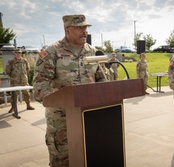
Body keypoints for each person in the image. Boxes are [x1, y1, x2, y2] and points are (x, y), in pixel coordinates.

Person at [33, 14, 105, 166]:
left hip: (88, 117)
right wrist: (61, 102)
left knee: (88, 157)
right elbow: (40, 85)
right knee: (61, 161)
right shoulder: (52, 52)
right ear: (67, 30)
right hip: (61, 120)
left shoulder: (93, 52)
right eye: (79, 28)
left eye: (85, 27)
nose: (84, 31)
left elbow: (101, 80)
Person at [5, 48, 35, 113]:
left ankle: (28, 105)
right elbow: (7, 71)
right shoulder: (11, 61)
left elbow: (27, 69)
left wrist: (24, 75)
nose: (18, 54)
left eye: (19, 53)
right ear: (14, 53)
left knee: (26, 93)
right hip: (15, 81)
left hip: (24, 80)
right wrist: (14, 76)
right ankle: (13, 107)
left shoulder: (24, 61)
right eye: (17, 52)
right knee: (14, 95)